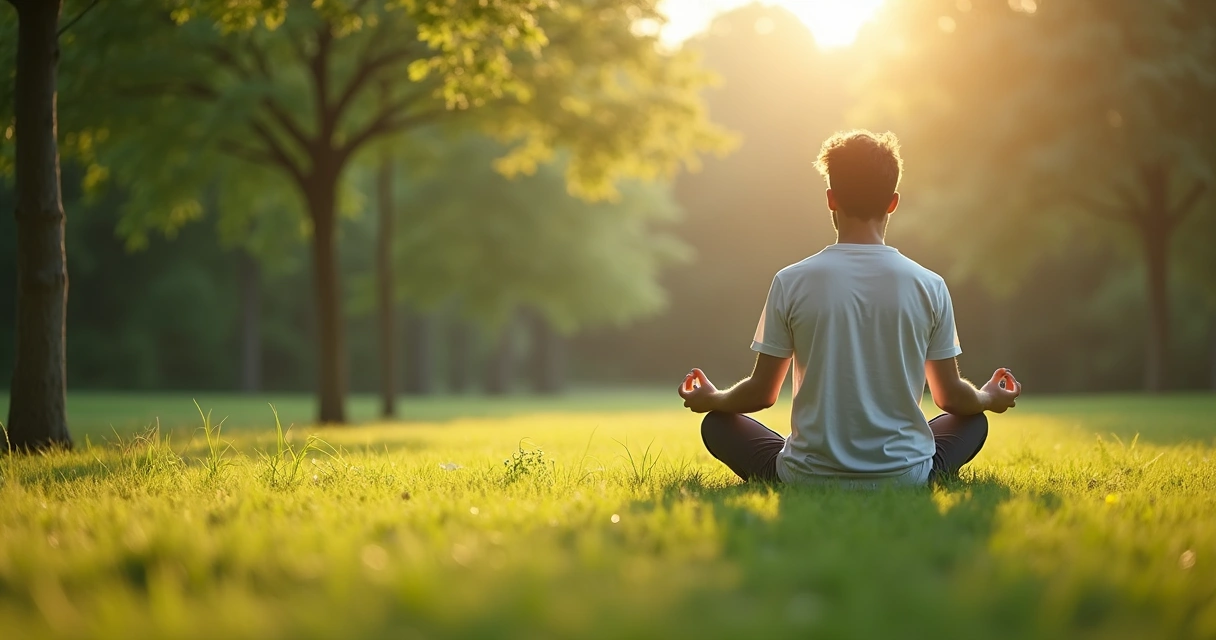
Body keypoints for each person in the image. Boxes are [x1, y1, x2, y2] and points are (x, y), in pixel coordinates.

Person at [677, 130, 1021, 487]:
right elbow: (949, 397)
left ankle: (804, 469)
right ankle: (909, 472)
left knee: (717, 423)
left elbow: (762, 393)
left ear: (831, 199)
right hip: (906, 476)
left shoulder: (790, 280)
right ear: (893, 202)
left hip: (806, 477)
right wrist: (987, 396)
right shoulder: (929, 284)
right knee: (974, 419)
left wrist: (712, 398)